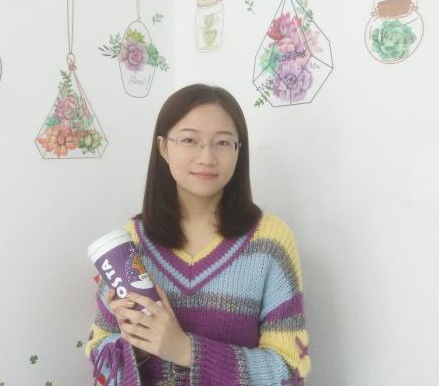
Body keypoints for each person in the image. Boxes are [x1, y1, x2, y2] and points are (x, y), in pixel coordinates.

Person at [85, 84, 311, 385]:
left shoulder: (270, 242)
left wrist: (186, 350)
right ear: (163, 147)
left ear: (238, 150)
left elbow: (290, 369)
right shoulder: (129, 245)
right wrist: (138, 348)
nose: (207, 157)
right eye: (190, 140)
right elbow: (101, 359)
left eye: (223, 142)